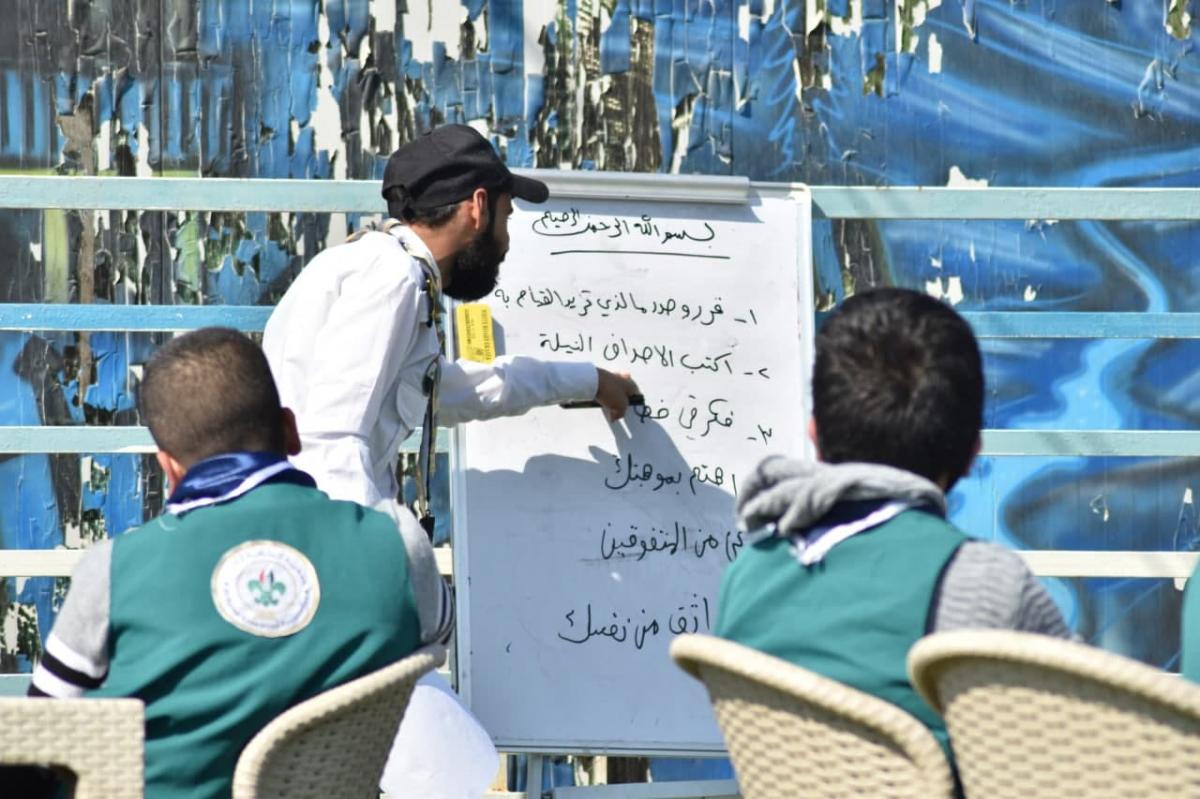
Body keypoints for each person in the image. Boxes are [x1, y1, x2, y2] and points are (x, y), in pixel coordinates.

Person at [27, 327, 449, 799]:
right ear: (290, 430)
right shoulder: (400, 546)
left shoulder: (114, 569)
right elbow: (432, 638)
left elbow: (38, 741)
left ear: (169, 468)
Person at [714, 287, 1070, 757]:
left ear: (814, 434)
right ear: (972, 453)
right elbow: (1092, 740)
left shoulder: (747, 577)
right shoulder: (986, 583)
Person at [263, 123, 640, 521]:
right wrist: (370, 547)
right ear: (479, 207)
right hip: (321, 532)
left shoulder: (376, 265)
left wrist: (590, 380)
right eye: (506, 218)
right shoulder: (393, 278)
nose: (506, 242)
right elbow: (332, 439)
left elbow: (454, 391)